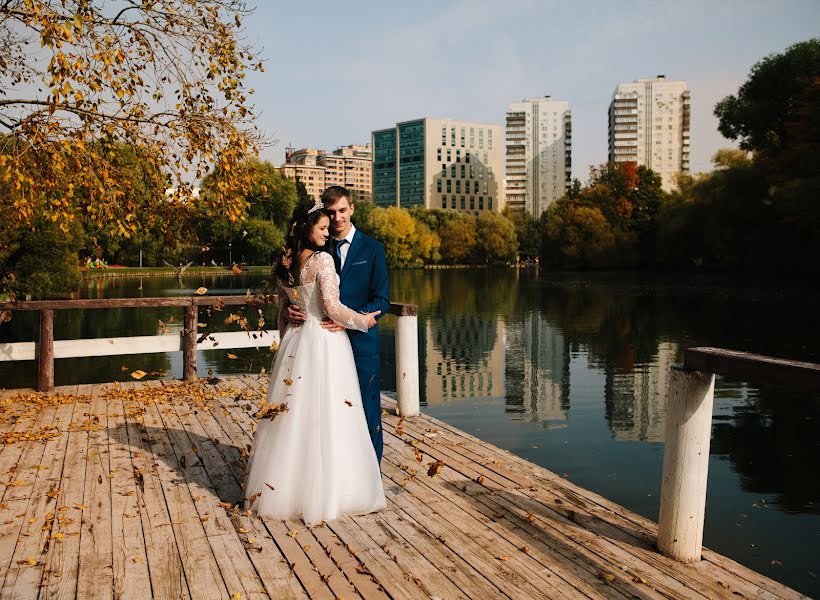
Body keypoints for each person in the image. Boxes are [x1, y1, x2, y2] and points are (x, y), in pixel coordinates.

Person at [244, 202, 386, 525]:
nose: (327, 233)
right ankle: (330, 491)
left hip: (296, 342)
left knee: (296, 415)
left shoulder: (286, 263)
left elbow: (286, 308)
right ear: (307, 229)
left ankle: (287, 489)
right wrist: (363, 321)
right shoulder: (322, 260)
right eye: (322, 228)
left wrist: (288, 315)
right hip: (323, 342)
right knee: (329, 414)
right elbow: (333, 309)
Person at [287, 186, 389, 464]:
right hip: (325, 346)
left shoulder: (373, 249)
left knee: (368, 412)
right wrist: (290, 309)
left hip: (361, 344)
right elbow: (301, 289)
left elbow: (383, 300)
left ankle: (372, 476)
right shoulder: (319, 246)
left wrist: (349, 321)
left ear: (352, 209)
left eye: (342, 211)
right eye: (331, 213)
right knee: (329, 414)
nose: (336, 218)